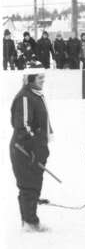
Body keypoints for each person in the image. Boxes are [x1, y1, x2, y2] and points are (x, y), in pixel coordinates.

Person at [10, 67, 53, 232]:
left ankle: (30, 220)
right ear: (30, 79)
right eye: (40, 78)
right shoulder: (25, 97)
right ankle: (29, 223)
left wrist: (41, 149)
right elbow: (24, 126)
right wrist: (33, 150)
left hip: (35, 149)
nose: (43, 80)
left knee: (34, 184)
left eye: (43, 77)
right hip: (24, 150)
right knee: (28, 185)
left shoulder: (34, 95)